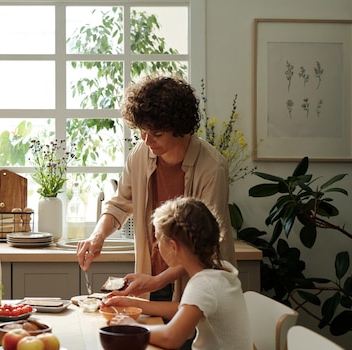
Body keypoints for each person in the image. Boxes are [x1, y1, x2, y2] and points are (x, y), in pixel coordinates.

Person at [77, 75, 235, 301]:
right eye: (142, 130)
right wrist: (97, 236)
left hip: (199, 286)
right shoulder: (140, 154)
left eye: (157, 134)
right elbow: (120, 204)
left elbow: (205, 248)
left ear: (180, 128)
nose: (147, 140)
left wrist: (157, 280)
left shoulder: (212, 168)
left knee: (185, 336)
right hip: (152, 278)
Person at [107, 197, 256, 350]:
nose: (157, 247)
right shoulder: (220, 271)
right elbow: (184, 310)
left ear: (174, 246)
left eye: (159, 240)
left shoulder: (203, 284)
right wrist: (134, 304)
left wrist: (133, 328)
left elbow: (172, 337)